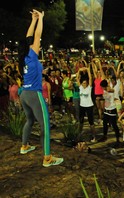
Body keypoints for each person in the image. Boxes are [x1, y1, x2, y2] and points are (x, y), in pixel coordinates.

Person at [18, 9, 63, 167]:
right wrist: (41, 19)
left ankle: (24, 146)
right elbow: (36, 36)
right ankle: (47, 158)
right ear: (31, 47)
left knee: (30, 120)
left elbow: (28, 37)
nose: (38, 44)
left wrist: (33, 19)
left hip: (24, 93)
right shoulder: (31, 54)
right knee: (45, 126)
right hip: (33, 94)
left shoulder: (23, 57)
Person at [76, 66, 97, 142]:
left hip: (89, 106)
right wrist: (79, 70)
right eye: (83, 83)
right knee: (80, 121)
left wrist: (88, 70)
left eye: (85, 83)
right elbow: (77, 78)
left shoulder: (89, 88)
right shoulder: (81, 87)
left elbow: (90, 78)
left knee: (91, 122)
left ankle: (94, 136)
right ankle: (79, 135)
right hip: (82, 106)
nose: (84, 84)